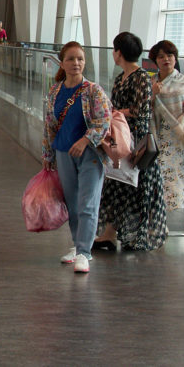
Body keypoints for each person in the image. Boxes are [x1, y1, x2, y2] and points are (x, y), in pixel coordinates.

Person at [42, 41, 112, 274]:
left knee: (88, 202)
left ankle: (84, 251)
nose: (76, 63)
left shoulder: (93, 91)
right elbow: (50, 125)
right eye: (71, 59)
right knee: (72, 202)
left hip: (90, 154)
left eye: (80, 59)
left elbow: (104, 120)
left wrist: (86, 140)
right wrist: (48, 154)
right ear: (62, 63)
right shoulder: (55, 91)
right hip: (63, 152)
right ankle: (77, 244)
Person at [95, 32, 168, 252]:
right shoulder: (121, 78)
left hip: (135, 141)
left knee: (135, 187)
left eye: (115, 49)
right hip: (121, 138)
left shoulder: (142, 77)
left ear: (119, 52)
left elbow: (141, 110)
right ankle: (110, 233)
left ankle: (134, 235)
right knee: (117, 185)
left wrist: (118, 112)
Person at [149, 40, 184, 227]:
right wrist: (152, 95)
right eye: (161, 57)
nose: (166, 60)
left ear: (175, 58)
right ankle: (161, 211)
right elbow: (145, 109)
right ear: (155, 60)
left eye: (170, 56)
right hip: (163, 135)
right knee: (163, 172)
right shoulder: (153, 82)